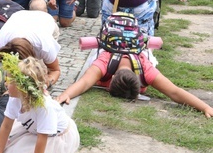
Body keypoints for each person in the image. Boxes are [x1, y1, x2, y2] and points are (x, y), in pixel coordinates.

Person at [0, 55, 79, 153]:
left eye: (10, 81)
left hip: (55, 136)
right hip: (33, 128)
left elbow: (42, 138)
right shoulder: (14, 98)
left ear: (22, 88)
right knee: (5, 150)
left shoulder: (44, 107)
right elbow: (6, 126)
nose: (6, 84)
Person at [56, 46, 213, 118]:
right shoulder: (104, 62)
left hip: (139, 53)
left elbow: (174, 92)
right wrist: (65, 95)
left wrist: (205, 107)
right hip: (111, 50)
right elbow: (84, 83)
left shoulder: (147, 69)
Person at [0, 9, 62, 87]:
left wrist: (46, 83)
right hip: (19, 16)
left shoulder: (45, 46)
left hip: (45, 20)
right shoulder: (0, 43)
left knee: (39, 74)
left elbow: (55, 70)